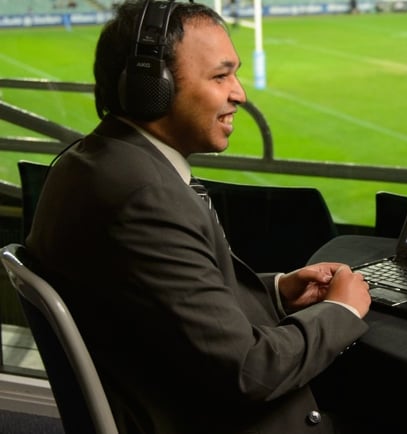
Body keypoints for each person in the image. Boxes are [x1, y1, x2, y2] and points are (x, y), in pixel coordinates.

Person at [25, 1, 372, 433]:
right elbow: (249, 371)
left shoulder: (95, 162)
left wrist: (278, 291)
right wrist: (341, 310)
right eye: (220, 76)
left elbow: (163, 302)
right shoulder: (144, 198)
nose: (239, 94)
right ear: (152, 88)